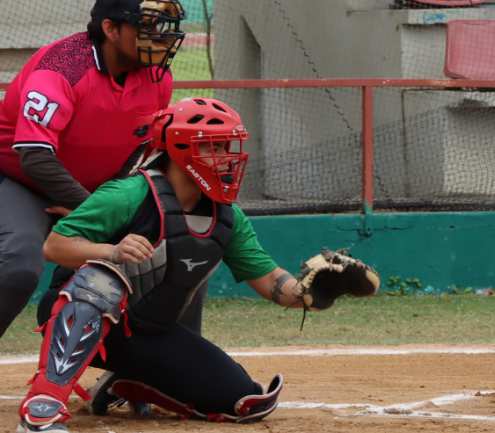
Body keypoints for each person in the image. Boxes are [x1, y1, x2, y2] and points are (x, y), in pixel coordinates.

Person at [18, 98, 299, 433]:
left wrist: (314, 291)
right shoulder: (128, 193)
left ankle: (128, 383)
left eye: (229, 147)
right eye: (215, 147)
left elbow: (270, 281)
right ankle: (43, 407)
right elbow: (54, 246)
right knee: (100, 280)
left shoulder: (226, 214)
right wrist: (111, 250)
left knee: (241, 400)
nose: (227, 157)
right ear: (180, 149)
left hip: (149, 330)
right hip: (79, 316)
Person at [0, 0, 185, 340]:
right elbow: (35, 156)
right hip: (19, 180)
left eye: (165, 29)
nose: (161, 39)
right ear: (111, 29)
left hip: (87, 191)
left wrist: (103, 203)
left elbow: (137, 143)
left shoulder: (157, 76)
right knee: (20, 264)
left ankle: (150, 375)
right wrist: (93, 209)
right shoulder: (62, 66)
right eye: (148, 28)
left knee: (175, 251)